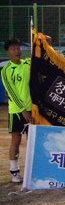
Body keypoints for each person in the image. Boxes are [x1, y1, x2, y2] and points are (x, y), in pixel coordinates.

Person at [2, 37, 32, 183]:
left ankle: (31, 169)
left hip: (33, 109)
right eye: (13, 49)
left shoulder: (27, 63)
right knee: (16, 139)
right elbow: (11, 93)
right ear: (8, 52)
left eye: (18, 48)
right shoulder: (6, 70)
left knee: (32, 140)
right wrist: (23, 111)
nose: (17, 51)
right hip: (17, 111)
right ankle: (14, 171)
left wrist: (47, 44)